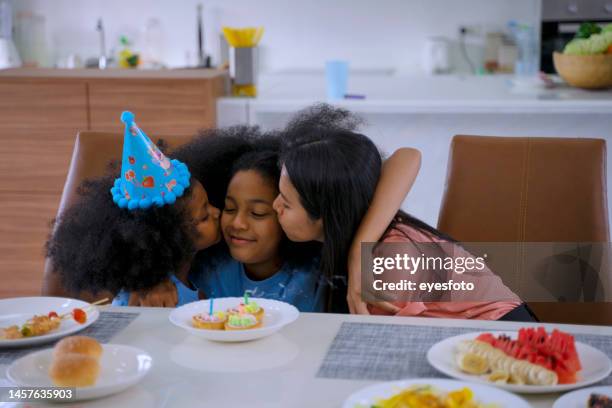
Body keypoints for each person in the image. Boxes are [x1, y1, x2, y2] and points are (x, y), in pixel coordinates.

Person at [273, 104, 537, 321]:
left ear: (328, 213)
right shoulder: (367, 232)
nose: (275, 206)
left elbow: (385, 347)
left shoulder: (389, 266)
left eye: (286, 202)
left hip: (506, 338)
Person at [45, 112, 244, 306]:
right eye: (203, 216)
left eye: (209, 204)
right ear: (171, 239)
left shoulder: (196, 273)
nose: (217, 211)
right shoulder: (150, 300)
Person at [190, 137, 325, 312]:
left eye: (257, 213)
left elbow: (373, 288)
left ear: (285, 213)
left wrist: (362, 245)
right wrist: (154, 280)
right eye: (230, 208)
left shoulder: (321, 269)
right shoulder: (206, 266)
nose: (238, 223)